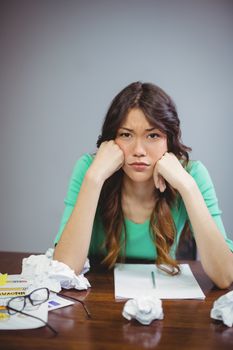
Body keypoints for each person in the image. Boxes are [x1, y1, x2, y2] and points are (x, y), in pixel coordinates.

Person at [53, 81, 233, 288]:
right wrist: (94, 179)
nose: (139, 150)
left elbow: (225, 276)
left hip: (163, 303)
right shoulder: (90, 170)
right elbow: (64, 270)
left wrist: (188, 187)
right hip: (94, 298)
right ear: (110, 141)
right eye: (126, 135)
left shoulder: (192, 175)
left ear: (169, 140)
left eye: (153, 135)